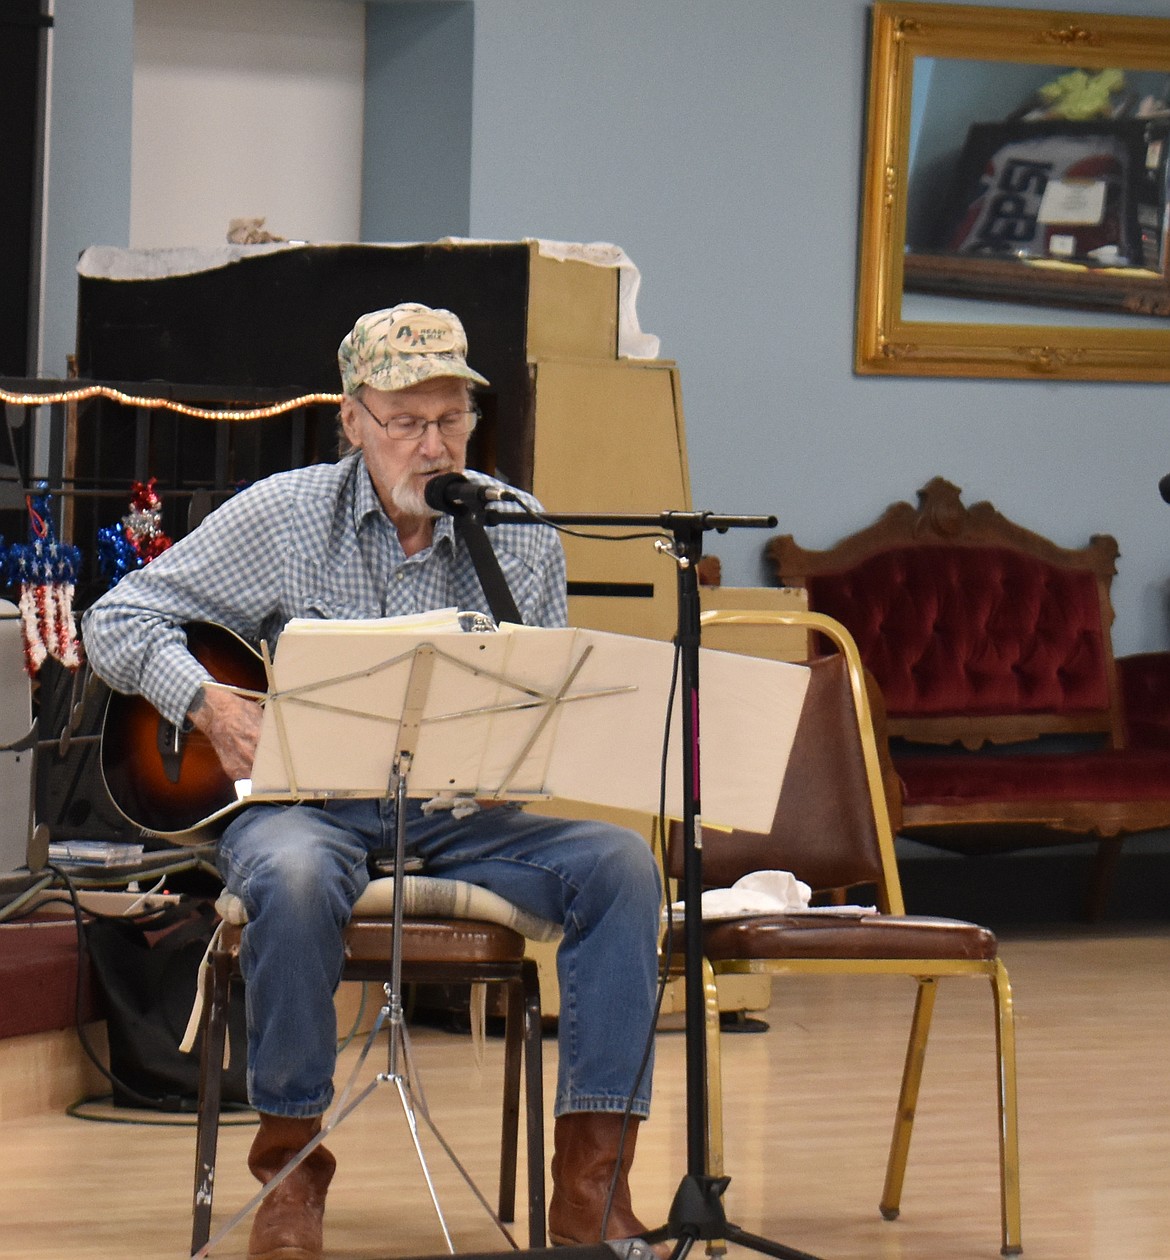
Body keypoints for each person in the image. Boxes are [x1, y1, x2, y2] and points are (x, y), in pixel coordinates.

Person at [82, 303, 666, 1260]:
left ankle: (590, 1191)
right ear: (352, 420)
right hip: (306, 809)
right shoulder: (284, 514)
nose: (433, 446)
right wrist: (210, 706)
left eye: (451, 420)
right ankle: (291, 1172)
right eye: (406, 422)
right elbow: (118, 619)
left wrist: (526, 741)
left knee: (623, 865)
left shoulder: (516, 533)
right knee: (297, 877)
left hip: (462, 815)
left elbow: (546, 711)